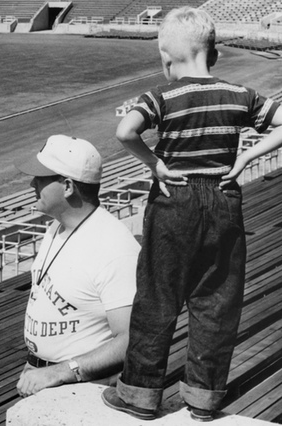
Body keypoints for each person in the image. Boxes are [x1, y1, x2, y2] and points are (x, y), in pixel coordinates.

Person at [101, 6, 282, 422]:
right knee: (217, 300)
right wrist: (248, 155)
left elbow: (124, 131)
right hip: (223, 199)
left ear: (167, 59)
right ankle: (203, 398)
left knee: (156, 298)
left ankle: (140, 395)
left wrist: (153, 163)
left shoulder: (162, 97)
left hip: (173, 201)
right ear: (213, 56)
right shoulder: (241, 95)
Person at [14, 134, 140, 398]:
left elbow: (131, 339)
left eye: (41, 178)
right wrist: (36, 364)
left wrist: (57, 372)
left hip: (83, 388)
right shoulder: (56, 227)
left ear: (68, 187)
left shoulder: (115, 249)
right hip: (41, 378)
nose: (31, 183)